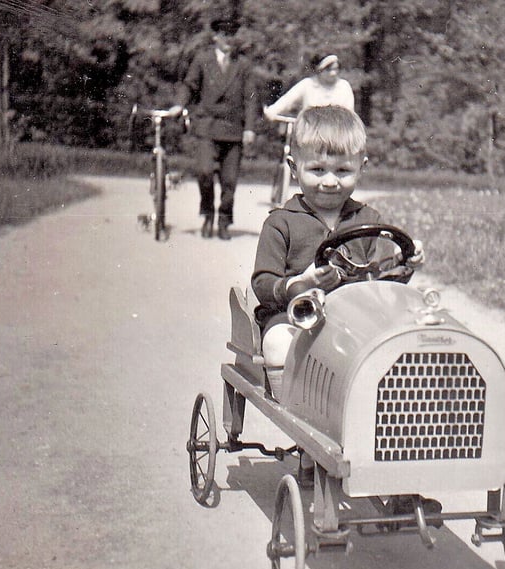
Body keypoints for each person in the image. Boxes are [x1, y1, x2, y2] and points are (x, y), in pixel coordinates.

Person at [251, 106, 422, 400]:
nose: (330, 181)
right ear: (293, 168)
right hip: (295, 318)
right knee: (278, 342)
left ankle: (380, 410)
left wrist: (405, 261)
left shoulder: (369, 219)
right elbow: (263, 282)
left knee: (400, 342)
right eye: (317, 169)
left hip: (354, 321)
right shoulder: (281, 222)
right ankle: (293, 408)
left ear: (361, 168)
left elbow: (385, 281)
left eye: (343, 171)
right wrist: (297, 284)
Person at [177, 17, 258, 240]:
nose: (229, 40)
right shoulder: (202, 59)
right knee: (204, 171)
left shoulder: (243, 65)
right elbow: (189, 85)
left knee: (229, 180)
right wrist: (179, 105)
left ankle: (224, 220)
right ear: (215, 37)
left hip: (233, 128)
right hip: (207, 126)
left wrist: (250, 128)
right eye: (224, 35)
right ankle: (207, 214)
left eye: (232, 35)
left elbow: (251, 99)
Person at [262, 54, 355, 122]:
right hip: (310, 135)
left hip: (337, 136)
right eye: (328, 70)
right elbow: (287, 100)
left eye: (336, 69)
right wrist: (272, 111)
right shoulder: (307, 84)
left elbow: (349, 114)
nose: (333, 73)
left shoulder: (344, 87)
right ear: (319, 70)